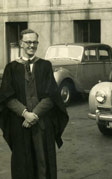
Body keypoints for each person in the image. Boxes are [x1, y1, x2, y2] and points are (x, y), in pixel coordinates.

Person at [0, 29, 69, 179]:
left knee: (43, 162)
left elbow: (52, 96)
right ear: (21, 43)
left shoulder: (45, 66)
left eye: (34, 42)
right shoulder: (11, 68)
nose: (32, 45)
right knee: (23, 164)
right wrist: (25, 113)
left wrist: (35, 114)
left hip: (42, 124)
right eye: (28, 42)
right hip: (20, 123)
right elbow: (6, 97)